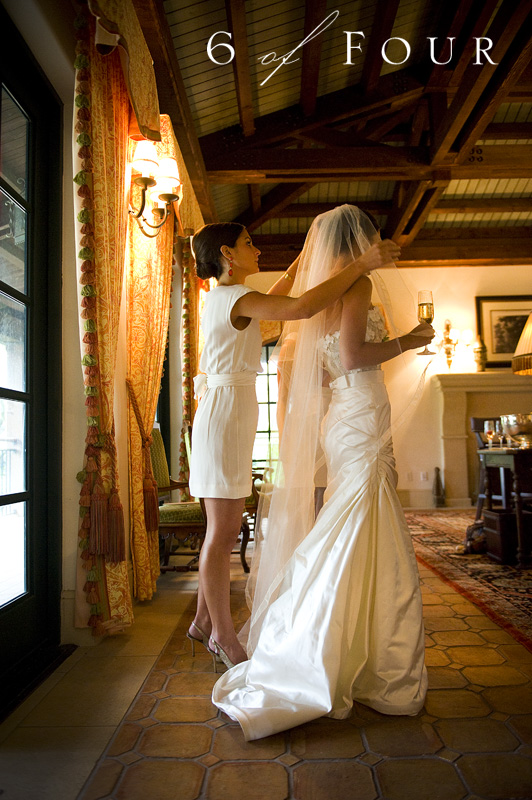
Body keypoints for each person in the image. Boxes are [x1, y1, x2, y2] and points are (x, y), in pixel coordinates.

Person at [211, 205, 435, 740]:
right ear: (359, 243)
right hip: (358, 413)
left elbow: (325, 366)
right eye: (370, 238)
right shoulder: (354, 289)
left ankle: (353, 645)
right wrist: (408, 341)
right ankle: (345, 651)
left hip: (348, 415)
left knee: (356, 524)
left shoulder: (330, 293)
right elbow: (355, 356)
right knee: (356, 524)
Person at [187, 220, 401, 670]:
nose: (257, 250)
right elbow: (301, 307)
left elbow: (286, 288)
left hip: (230, 412)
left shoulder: (228, 295)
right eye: (249, 244)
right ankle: (223, 636)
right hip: (223, 417)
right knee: (222, 531)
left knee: (222, 526)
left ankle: (204, 619)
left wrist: (304, 261)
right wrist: (360, 264)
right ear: (227, 252)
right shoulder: (236, 298)